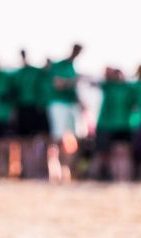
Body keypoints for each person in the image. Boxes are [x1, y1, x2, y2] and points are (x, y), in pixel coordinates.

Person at [46, 44, 83, 183]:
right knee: (56, 139)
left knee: (72, 139)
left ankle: (66, 170)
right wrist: (73, 81)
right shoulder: (59, 66)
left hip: (71, 105)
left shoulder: (72, 67)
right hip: (59, 104)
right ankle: (54, 171)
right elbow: (58, 84)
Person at [13, 50, 50, 179]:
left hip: (35, 109)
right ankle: (27, 171)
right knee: (25, 143)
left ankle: (34, 171)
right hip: (24, 109)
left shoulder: (36, 73)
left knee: (35, 143)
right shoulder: (19, 74)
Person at [94, 67, 136, 182]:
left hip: (117, 125)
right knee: (117, 154)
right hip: (116, 125)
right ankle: (119, 178)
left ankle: (120, 178)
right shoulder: (120, 87)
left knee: (120, 154)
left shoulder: (111, 87)